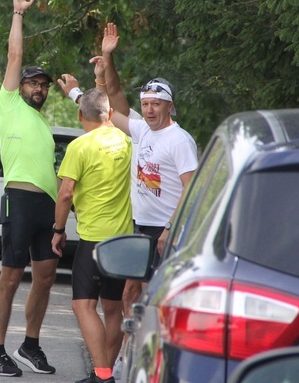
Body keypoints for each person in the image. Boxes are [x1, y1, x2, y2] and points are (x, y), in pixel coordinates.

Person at [91, 24, 198, 379]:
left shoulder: (178, 140)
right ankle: (129, 356)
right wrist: (107, 58)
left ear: (170, 106)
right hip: (142, 226)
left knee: (154, 299)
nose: (149, 110)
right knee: (130, 294)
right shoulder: (140, 129)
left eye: (156, 104)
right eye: (146, 104)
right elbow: (114, 95)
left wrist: (171, 227)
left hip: (169, 230)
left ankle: (156, 365)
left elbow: (192, 186)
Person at [0, 0, 58, 377]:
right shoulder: (9, 103)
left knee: (45, 276)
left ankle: (30, 344)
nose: (38, 88)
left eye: (43, 85)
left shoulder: (42, 123)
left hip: (46, 206)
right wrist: (18, 13)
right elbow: (16, 54)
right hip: (18, 199)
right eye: (33, 83)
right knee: (11, 277)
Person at [50, 87, 133, 383]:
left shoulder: (79, 147)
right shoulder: (125, 142)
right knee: (113, 309)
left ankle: (102, 375)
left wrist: (58, 230)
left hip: (95, 240)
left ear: (79, 115)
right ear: (109, 115)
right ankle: (106, 372)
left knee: (82, 305)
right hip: (124, 240)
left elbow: (65, 194)